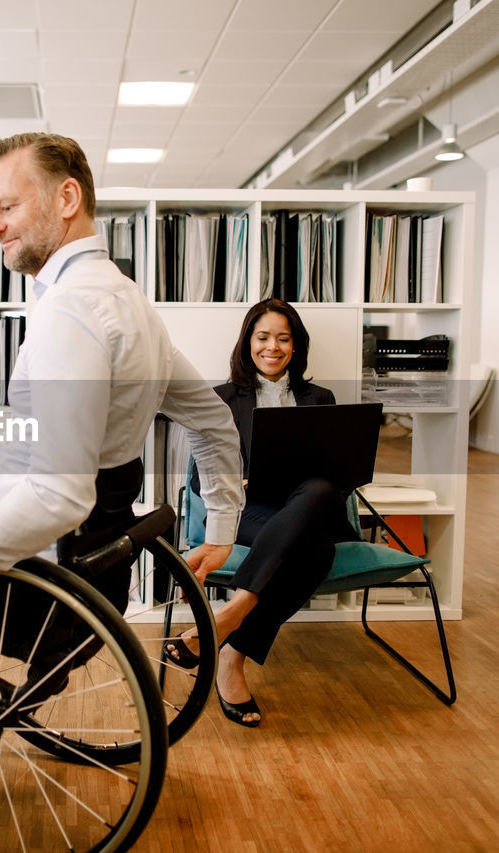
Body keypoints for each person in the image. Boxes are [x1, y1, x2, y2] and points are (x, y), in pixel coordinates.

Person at [0, 132, 243, 662]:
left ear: (67, 199)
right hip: (81, 563)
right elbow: (215, 425)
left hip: (31, 571)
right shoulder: (129, 303)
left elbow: (59, 496)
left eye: (8, 206)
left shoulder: (71, 311)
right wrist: (222, 527)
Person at [163, 298, 358, 727]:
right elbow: (201, 479)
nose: (273, 347)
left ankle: (233, 615)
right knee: (317, 552)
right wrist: (238, 482)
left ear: (296, 346)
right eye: (263, 337)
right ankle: (232, 656)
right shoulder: (222, 398)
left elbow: (342, 476)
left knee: (322, 488)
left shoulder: (320, 398)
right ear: (248, 342)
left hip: (309, 506)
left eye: (283, 339)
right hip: (250, 512)